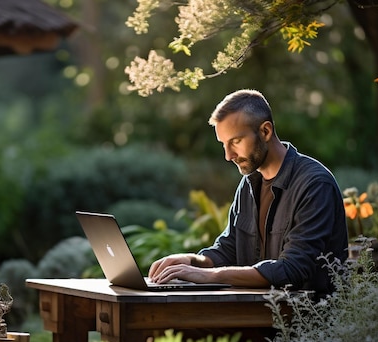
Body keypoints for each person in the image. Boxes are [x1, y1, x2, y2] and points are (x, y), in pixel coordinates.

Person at [149, 89, 348, 297]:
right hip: (255, 314)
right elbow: (228, 250)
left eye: (235, 142)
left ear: (265, 131)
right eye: (223, 144)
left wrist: (211, 276)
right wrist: (191, 261)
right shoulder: (249, 183)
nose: (228, 155)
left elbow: (293, 270)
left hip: (306, 322)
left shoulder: (314, 184)